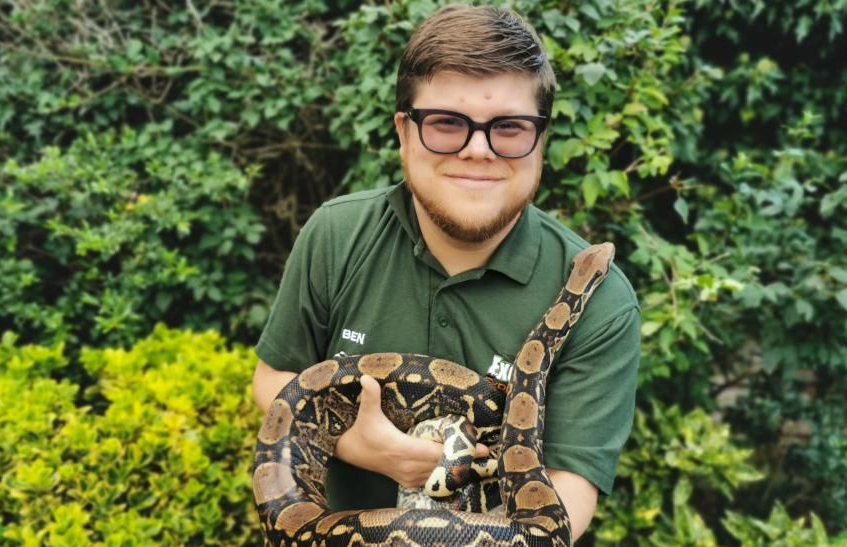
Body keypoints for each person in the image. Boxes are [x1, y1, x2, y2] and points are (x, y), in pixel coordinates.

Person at [251, 4, 639, 543]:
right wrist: (367, 449)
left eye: (509, 127)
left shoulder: (603, 303)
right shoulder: (337, 235)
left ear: (541, 141)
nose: (477, 151)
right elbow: (273, 381)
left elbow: (564, 502)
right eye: (447, 123)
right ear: (404, 132)